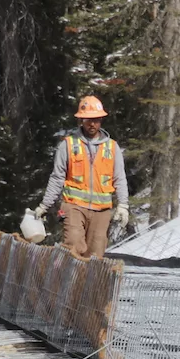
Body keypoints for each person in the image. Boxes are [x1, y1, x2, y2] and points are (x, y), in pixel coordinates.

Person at [32, 95, 129, 259]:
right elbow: (57, 177)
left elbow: (119, 178)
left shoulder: (112, 147)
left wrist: (123, 205)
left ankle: (91, 285)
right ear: (81, 120)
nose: (92, 124)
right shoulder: (68, 145)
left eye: (96, 119)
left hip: (102, 210)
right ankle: (70, 283)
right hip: (73, 206)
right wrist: (44, 205)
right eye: (88, 120)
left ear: (101, 120)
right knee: (73, 245)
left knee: (96, 253)